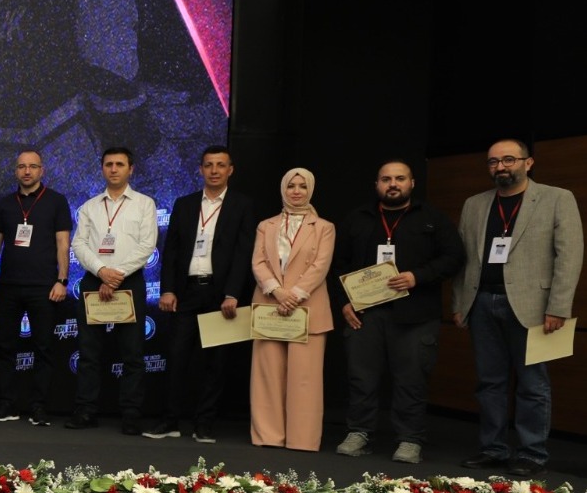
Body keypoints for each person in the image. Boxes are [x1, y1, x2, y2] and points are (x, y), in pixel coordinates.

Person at [452, 139, 582, 477]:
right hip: (482, 303)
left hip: (535, 308)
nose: (501, 167)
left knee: (532, 385)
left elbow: (569, 257)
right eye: (493, 161)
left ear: (528, 162)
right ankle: (492, 449)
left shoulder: (557, 198)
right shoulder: (474, 204)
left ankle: (531, 454)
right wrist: (460, 303)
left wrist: (558, 306)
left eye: (509, 159)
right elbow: (463, 260)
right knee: (489, 383)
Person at [328, 160, 463, 464]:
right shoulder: (358, 219)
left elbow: (454, 257)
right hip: (365, 313)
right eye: (386, 179)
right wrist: (344, 302)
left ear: (411, 183)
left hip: (416, 314)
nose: (393, 184)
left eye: (400, 178)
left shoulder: (432, 218)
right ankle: (359, 432)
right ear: (377, 185)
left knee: (411, 379)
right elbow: (338, 265)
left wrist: (418, 276)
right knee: (361, 377)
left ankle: (409, 439)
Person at [148, 146, 256, 443]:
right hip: (186, 292)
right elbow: (171, 251)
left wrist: (233, 293)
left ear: (230, 170)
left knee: (215, 364)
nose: (214, 170)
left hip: (221, 295)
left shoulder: (242, 205)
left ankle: (204, 424)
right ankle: (170, 420)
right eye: (209, 165)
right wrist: (168, 288)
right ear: (200, 169)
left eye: (221, 165)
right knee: (177, 357)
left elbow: (243, 253)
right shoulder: (184, 204)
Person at [66, 147, 156, 434]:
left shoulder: (144, 204)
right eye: (109, 164)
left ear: (131, 169)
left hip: (129, 281)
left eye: (120, 164)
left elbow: (147, 245)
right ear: (102, 169)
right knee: (89, 351)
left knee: (132, 352)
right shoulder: (90, 206)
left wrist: (116, 275)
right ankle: (86, 410)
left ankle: (131, 414)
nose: (114, 169)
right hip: (95, 280)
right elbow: (79, 244)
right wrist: (102, 271)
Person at [249, 168, 335, 451]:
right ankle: (268, 436)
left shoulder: (324, 227)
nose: (296, 191)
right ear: (283, 189)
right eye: (291, 186)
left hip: (307, 307)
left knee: (305, 379)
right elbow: (258, 262)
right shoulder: (266, 225)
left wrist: (294, 295)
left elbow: (320, 266)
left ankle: (303, 439)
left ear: (311, 190)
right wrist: (277, 291)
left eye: (302, 186)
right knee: (267, 376)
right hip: (270, 305)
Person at [0, 150, 72, 426]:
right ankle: (6, 403)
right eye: (22, 167)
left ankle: (39, 406)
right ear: (16, 171)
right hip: (8, 286)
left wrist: (62, 280)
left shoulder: (56, 201)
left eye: (32, 166)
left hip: (45, 287)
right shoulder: (4, 204)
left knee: (44, 348)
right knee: (4, 347)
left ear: (41, 170)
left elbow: (63, 243)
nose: (27, 171)